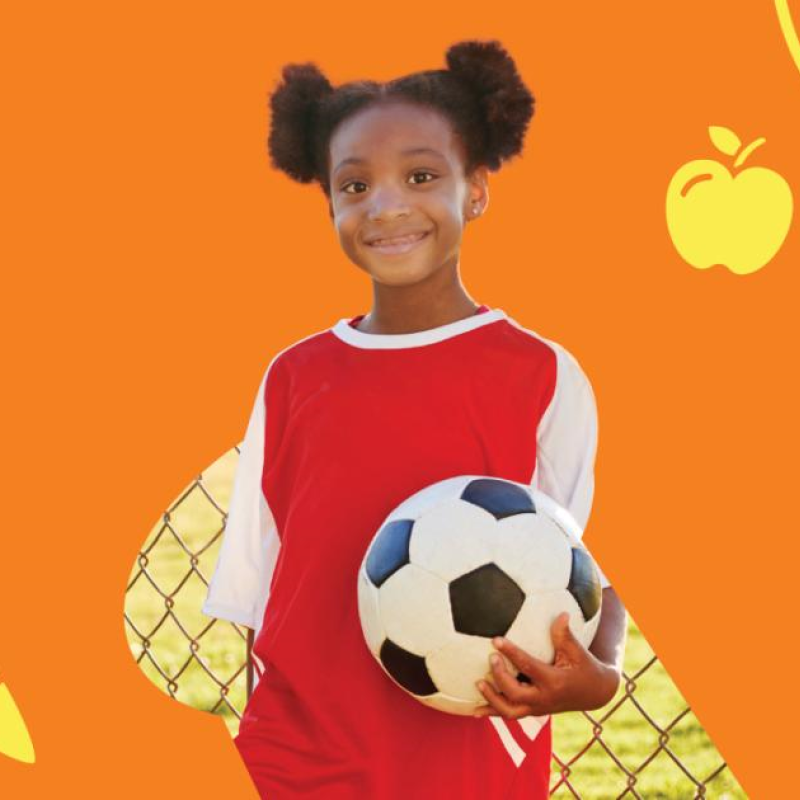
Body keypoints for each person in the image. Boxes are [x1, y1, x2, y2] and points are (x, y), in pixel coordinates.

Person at [202, 39, 627, 799]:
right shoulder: (292, 376)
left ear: (477, 190)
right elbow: (262, 602)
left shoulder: (542, 374)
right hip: (299, 764)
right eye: (355, 184)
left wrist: (599, 677)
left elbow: (589, 566)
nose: (387, 204)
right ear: (328, 202)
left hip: (467, 764)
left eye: (421, 175)